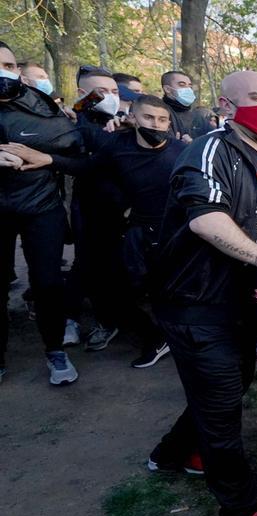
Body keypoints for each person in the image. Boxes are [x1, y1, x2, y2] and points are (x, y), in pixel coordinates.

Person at [146, 70, 257, 516]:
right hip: (195, 305)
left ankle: (171, 453)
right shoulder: (212, 150)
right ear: (226, 104)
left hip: (239, 307)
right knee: (222, 413)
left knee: (227, 389)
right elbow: (206, 219)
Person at [3, 95, 185, 368]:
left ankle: (186, 344)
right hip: (138, 234)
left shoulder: (182, 151)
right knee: (112, 295)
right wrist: (47, 159)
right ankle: (156, 338)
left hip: (174, 235)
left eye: (162, 120)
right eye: (148, 117)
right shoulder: (117, 145)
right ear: (133, 117)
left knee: (168, 294)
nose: (156, 124)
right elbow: (87, 167)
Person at [0, 43, 82, 385]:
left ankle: (55, 350)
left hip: (41, 208)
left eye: (7, 64)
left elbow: (79, 156)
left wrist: (47, 159)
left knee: (47, 283)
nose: (4, 71)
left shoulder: (42, 107)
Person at [63, 65, 124, 352]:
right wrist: (84, 112)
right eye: (102, 92)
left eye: (114, 91)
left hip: (121, 206)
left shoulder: (122, 123)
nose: (110, 97)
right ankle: (75, 318)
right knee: (87, 264)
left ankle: (108, 319)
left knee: (112, 267)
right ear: (83, 94)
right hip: (88, 206)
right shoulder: (71, 122)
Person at [160, 70, 213, 142]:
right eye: (182, 85)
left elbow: (212, 141)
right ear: (167, 89)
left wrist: (193, 145)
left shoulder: (197, 117)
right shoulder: (158, 115)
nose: (188, 89)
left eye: (189, 86)